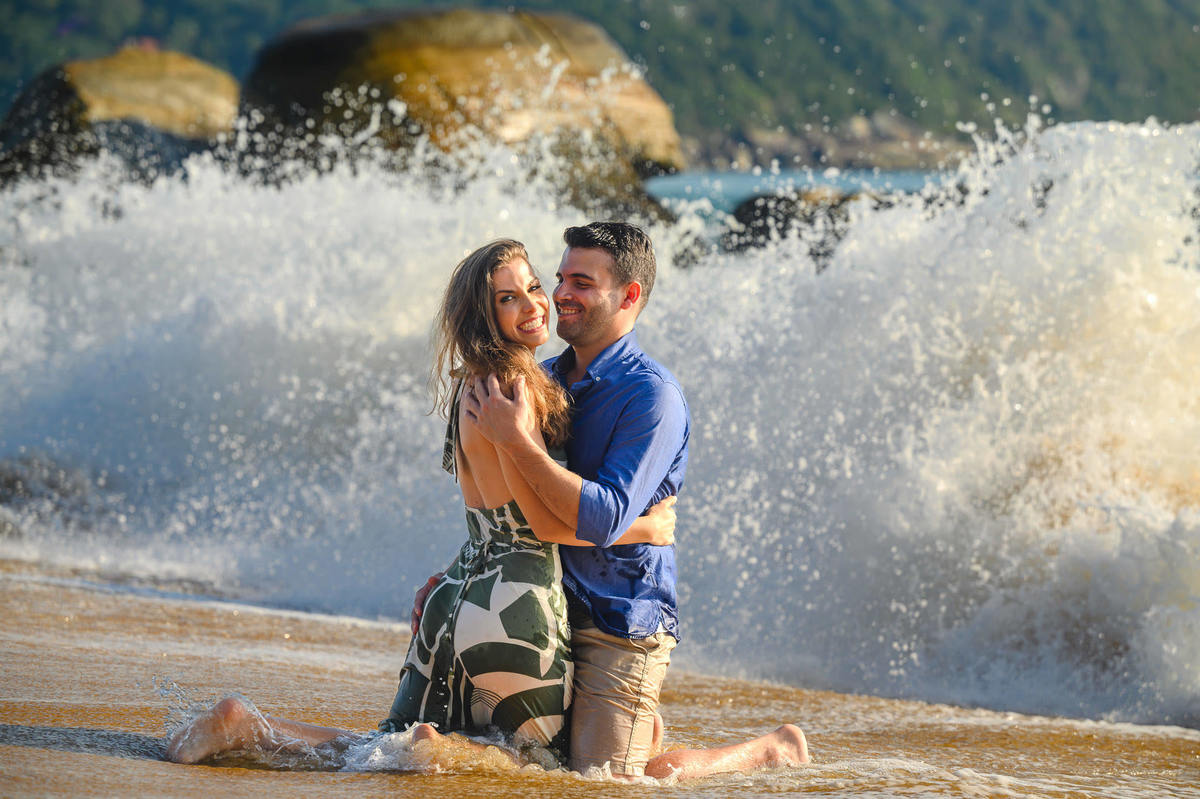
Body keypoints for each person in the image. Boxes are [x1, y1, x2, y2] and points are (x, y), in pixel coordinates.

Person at [166, 239, 676, 766]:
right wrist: (644, 528)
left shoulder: (473, 384)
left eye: (534, 286)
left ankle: (248, 727)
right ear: (483, 314)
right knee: (536, 766)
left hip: (458, 595)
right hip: (520, 605)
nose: (535, 304)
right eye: (508, 298)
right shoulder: (517, 386)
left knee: (377, 748)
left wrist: (447, 578)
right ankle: (437, 748)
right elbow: (538, 525)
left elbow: (490, 521)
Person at [449, 221, 809, 779]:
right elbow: (510, 506)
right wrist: (458, 575)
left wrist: (516, 439)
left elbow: (601, 517)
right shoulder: (540, 378)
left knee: (606, 783)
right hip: (552, 606)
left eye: (583, 283)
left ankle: (771, 750)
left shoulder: (652, 396)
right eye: (561, 277)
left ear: (629, 295)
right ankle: (637, 728)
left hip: (620, 621)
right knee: (537, 770)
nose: (562, 293)